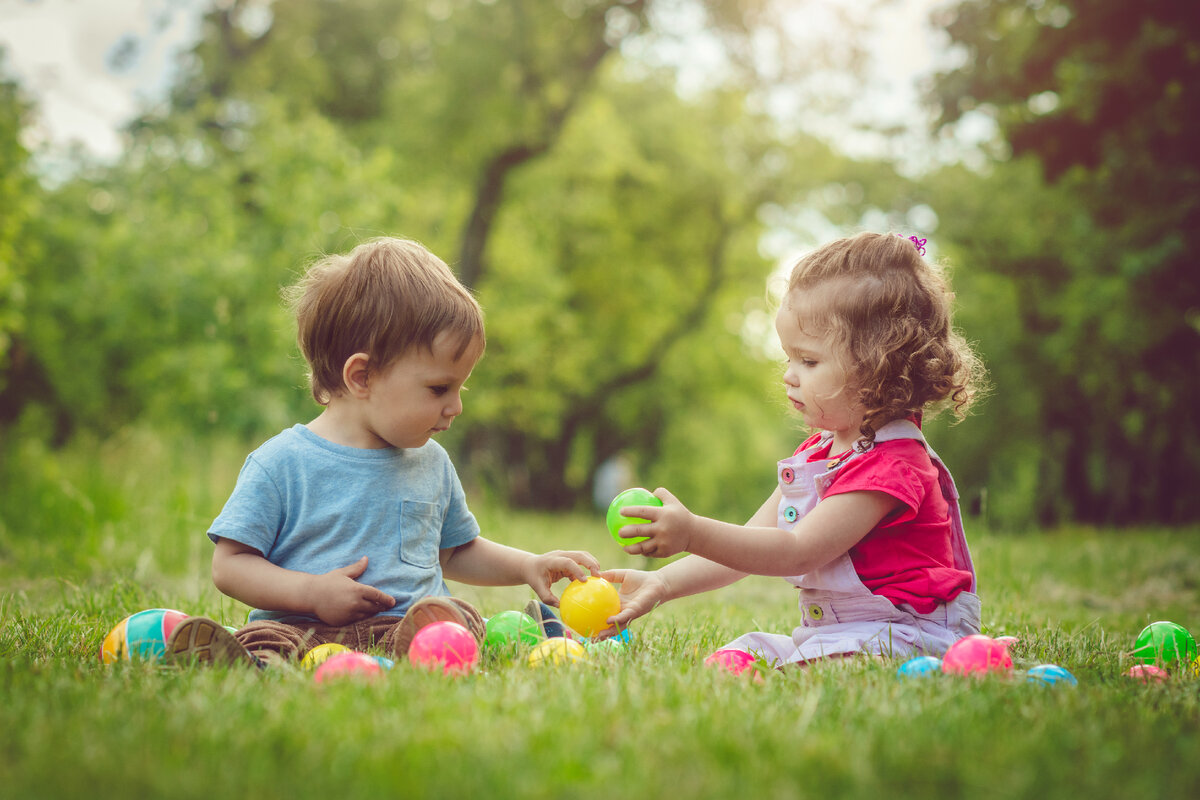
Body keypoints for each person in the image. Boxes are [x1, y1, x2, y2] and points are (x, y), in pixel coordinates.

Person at [165, 237, 595, 666]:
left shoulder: (431, 462)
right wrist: (311, 594)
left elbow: (456, 551)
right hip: (299, 626)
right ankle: (245, 661)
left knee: (454, 621)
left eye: (460, 388)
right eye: (439, 388)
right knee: (266, 640)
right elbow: (230, 565)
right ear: (363, 377)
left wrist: (528, 565)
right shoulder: (282, 463)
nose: (457, 406)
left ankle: (478, 640)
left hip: (403, 624)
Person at [601, 232, 986, 667]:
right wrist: (662, 585)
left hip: (910, 635)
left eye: (808, 361)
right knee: (739, 654)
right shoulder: (819, 453)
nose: (789, 375)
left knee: (817, 666)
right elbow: (752, 544)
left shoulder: (893, 466)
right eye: (788, 358)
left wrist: (691, 532)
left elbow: (797, 550)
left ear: (879, 366)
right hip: (841, 634)